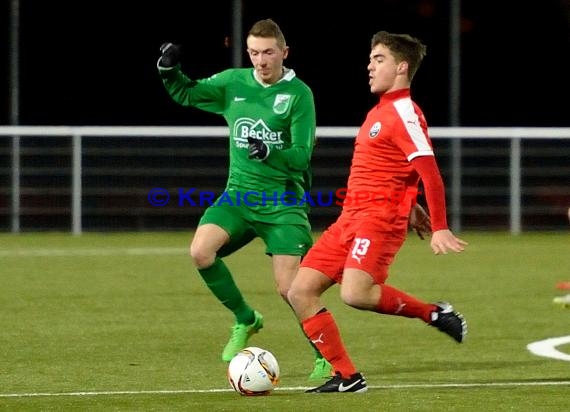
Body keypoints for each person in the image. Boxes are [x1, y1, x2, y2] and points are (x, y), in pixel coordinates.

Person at [287, 30, 469, 393]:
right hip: (349, 218)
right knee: (300, 291)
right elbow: (393, 167)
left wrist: (441, 227)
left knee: (354, 294)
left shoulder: (404, 112)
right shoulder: (381, 110)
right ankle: (347, 377)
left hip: (378, 221)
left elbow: (429, 171)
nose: (369, 66)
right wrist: (411, 200)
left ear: (402, 67)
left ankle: (434, 313)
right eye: (370, 59)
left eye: (379, 59)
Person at [156, 18, 333, 380]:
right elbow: (187, 92)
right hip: (238, 196)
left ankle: (325, 357)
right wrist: (168, 70)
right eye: (254, 52)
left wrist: (269, 150)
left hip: (283, 203)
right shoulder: (233, 82)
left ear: (284, 52)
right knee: (200, 251)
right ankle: (246, 319)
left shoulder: (299, 95)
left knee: (291, 289)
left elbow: (301, 156)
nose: (261, 60)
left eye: (268, 52)